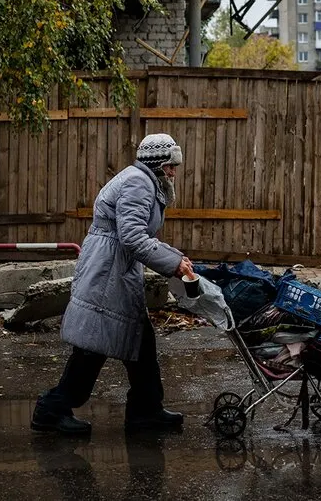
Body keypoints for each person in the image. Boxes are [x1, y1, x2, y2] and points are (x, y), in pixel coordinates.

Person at [31, 133, 196, 436]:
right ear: (157, 164)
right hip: (107, 271)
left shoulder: (142, 181)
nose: (174, 172)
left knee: (139, 338)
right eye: (171, 166)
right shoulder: (138, 184)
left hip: (113, 268)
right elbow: (132, 237)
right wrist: (173, 264)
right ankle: (52, 410)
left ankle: (146, 411)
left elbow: (138, 236)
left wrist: (175, 257)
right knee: (94, 346)